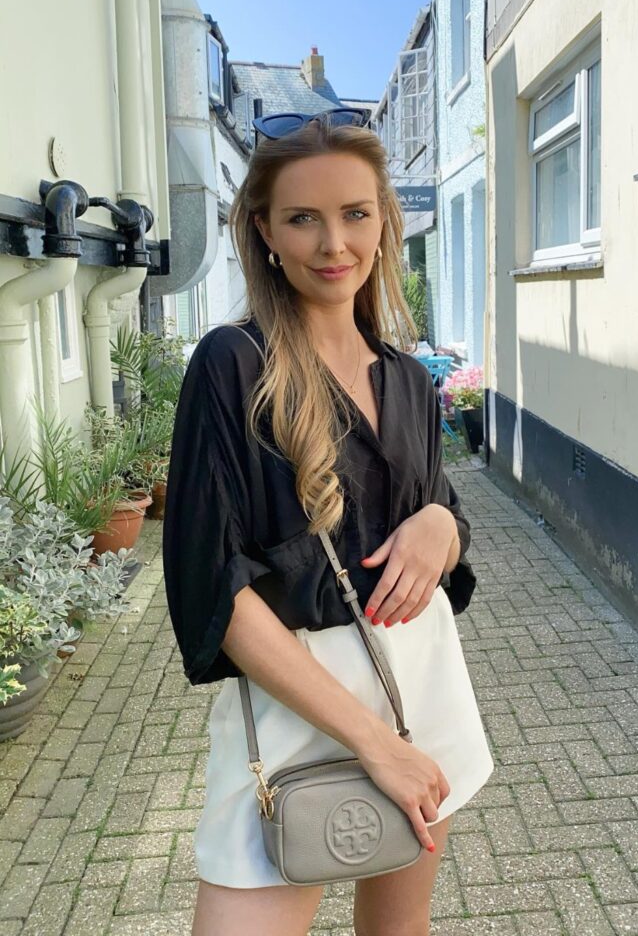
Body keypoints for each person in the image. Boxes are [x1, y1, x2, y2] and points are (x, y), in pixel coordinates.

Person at [162, 107, 494, 936]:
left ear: (383, 222)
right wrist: (371, 743)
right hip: (300, 702)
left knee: (396, 929)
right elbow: (212, 583)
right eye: (302, 218)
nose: (332, 243)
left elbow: (435, 509)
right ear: (265, 233)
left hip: (424, 683)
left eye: (354, 213)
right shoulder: (234, 366)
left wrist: (440, 529)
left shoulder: (408, 380)